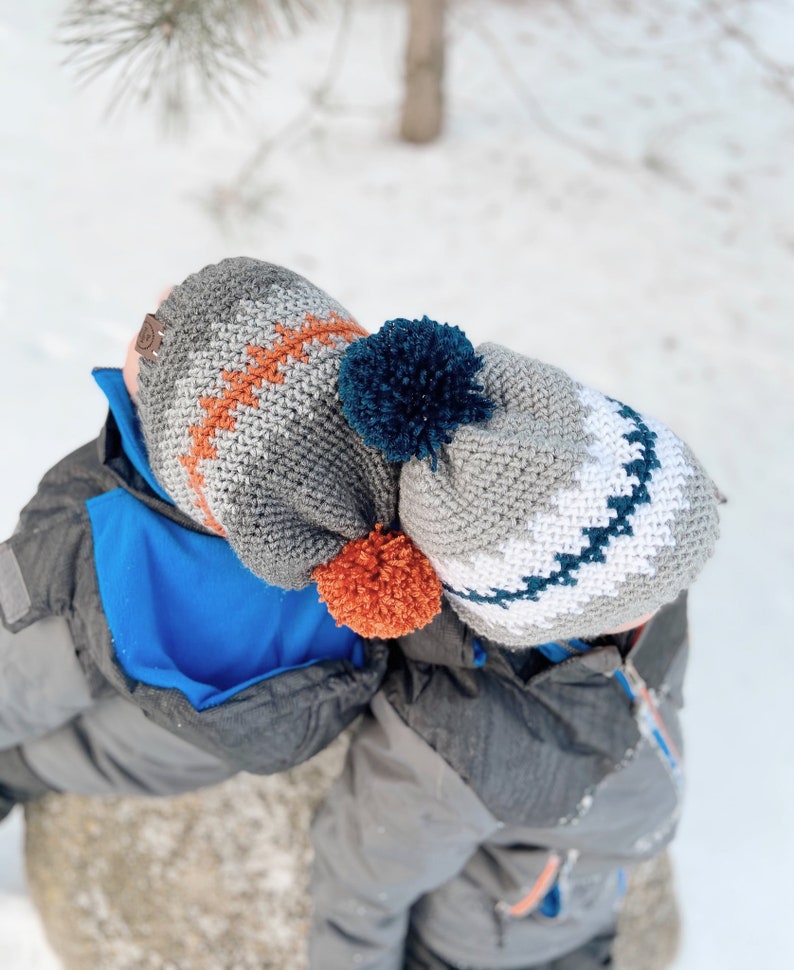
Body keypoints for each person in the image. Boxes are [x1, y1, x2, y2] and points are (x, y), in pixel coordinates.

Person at [230, 313, 717, 970]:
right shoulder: (461, 746)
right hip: (490, 947)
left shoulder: (634, 606)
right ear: (553, 610)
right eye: (659, 577)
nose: (679, 588)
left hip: (589, 894)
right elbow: (360, 888)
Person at [0, 257, 393, 820]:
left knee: (37, 675)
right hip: (217, 733)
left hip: (96, 670)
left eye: (155, 338)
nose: (150, 318)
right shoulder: (376, 523)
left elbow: (18, 634)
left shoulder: (102, 526)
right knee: (132, 744)